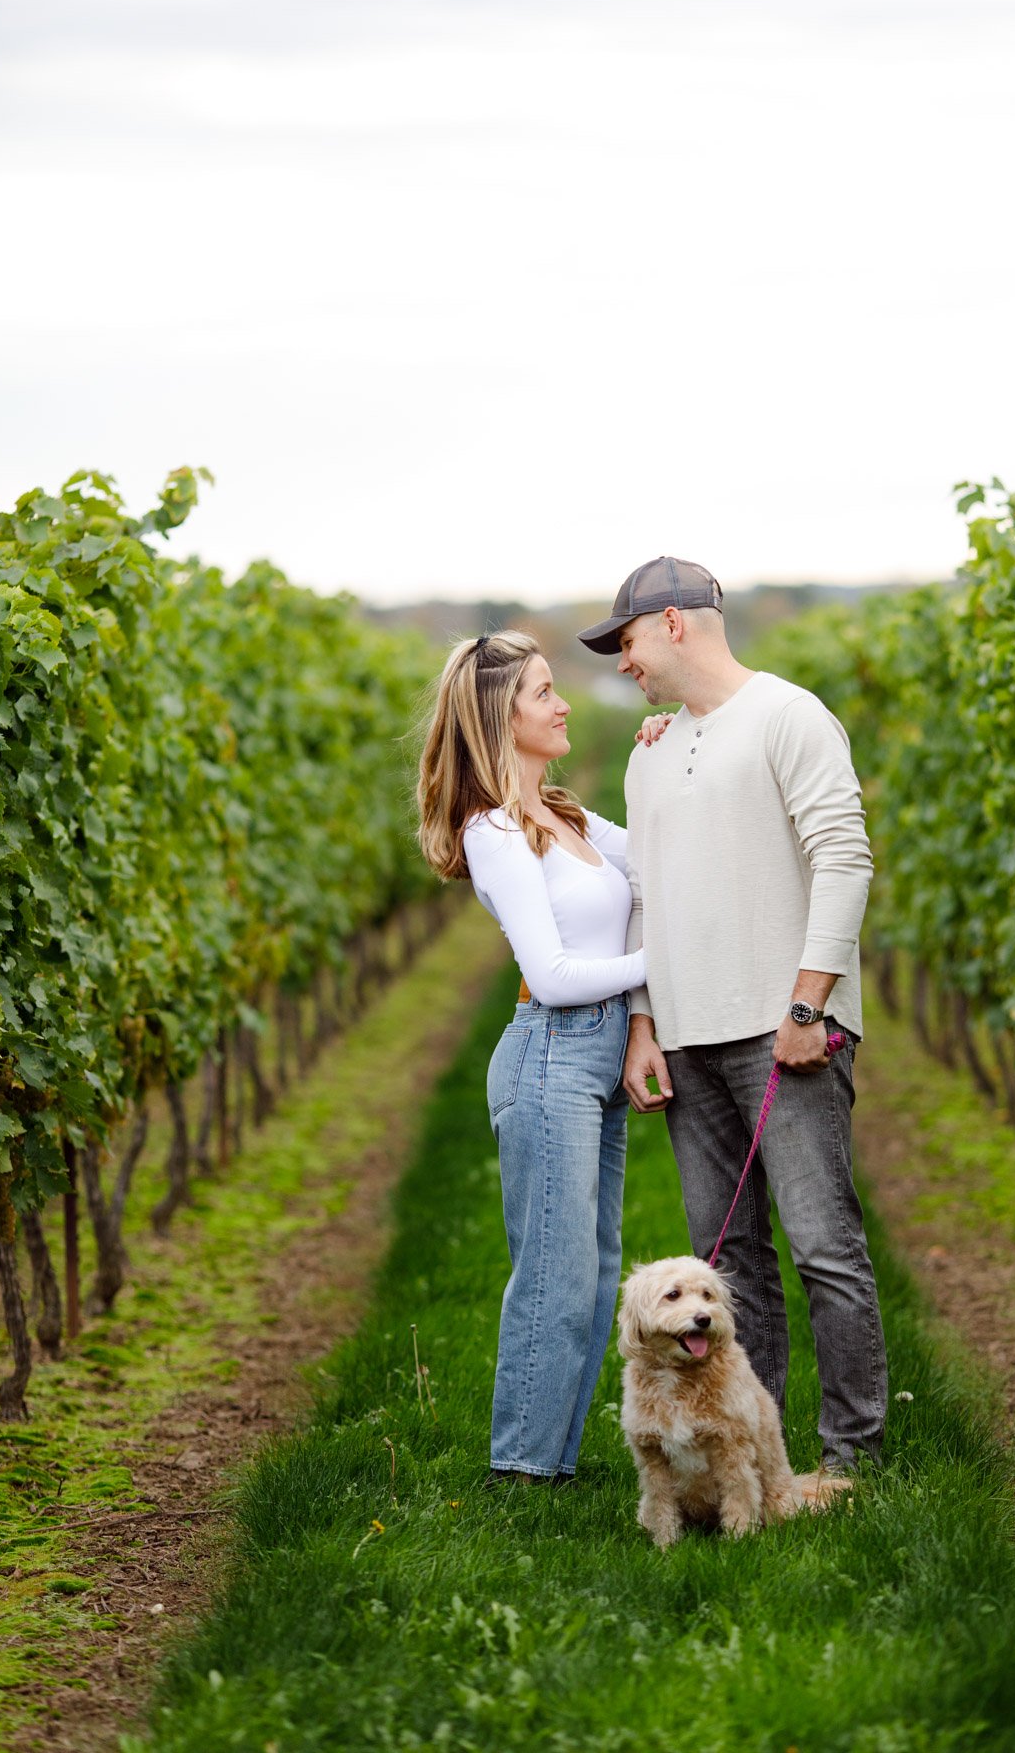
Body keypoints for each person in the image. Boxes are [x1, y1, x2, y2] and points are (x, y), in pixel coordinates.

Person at [578, 558, 888, 1475]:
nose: (623, 662)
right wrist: (643, 1023)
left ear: (673, 624)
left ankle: (854, 1457)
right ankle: (761, 1457)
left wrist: (809, 1004)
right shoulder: (648, 751)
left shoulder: (790, 717)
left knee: (824, 1248)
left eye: (626, 641)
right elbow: (645, 896)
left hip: (783, 1031)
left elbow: (844, 857)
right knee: (734, 1268)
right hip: (685, 1038)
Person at [416, 631, 646, 1485]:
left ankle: (553, 1462)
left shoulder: (568, 816)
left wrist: (666, 758)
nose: (564, 704)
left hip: (596, 1055)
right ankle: (522, 1470)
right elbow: (550, 977)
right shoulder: (494, 833)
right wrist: (667, 967)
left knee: (591, 1277)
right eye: (545, 692)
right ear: (498, 715)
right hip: (552, 1055)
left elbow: (658, 856)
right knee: (554, 1277)